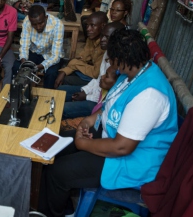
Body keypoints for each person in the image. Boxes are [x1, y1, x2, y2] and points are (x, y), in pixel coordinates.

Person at [38, 29, 178, 217]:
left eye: (110, 59)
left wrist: (83, 143)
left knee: (58, 171)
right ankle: (61, 207)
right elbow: (110, 107)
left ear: (120, 60)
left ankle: (53, 213)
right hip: (111, 137)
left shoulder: (149, 95)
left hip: (131, 160)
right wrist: (89, 121)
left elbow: (122, 147)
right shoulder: (129, 75)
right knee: (51, 148)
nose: (108, 63)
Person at [58, 21, 125, 119]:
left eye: (107, 37)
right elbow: (98, 79)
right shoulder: (107, 53)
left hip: (99, 103)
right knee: (60, 91)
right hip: (95, 92)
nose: (102, 39)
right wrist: (85, 91)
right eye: (102, 36)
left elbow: (106, 97)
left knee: (62, 109)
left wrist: (86, 96)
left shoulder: (120, 64)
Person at [14, 5, 64, 89]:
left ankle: (46, 99)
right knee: (17, 67)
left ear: (46, 17)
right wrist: (24, 63)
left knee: (51, 73)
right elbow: (24, 46)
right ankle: (22, 96)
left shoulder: (57, 25)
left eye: (41, 23)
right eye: (34, 24)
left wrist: (38, 67)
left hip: (50, 55)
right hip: (34, 52)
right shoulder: (27, 21)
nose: (38, 27)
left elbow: (55, 56)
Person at [55, 11, 108, 88]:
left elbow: (95, 73)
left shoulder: (104, 45)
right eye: (87, 25)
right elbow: (83, 58)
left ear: (103, 26)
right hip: (89, 72)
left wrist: (74, 64)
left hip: (97, 80)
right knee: (61, 73)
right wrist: (64, 71)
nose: (88, 29)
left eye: (92, 25)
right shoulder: (91, 39)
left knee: (65, 80)